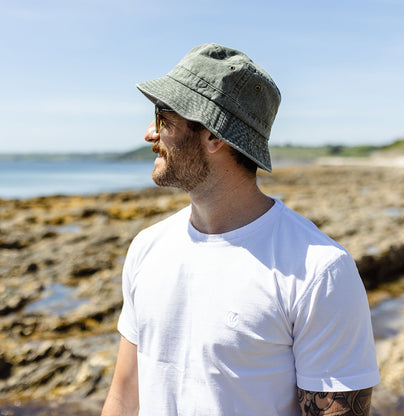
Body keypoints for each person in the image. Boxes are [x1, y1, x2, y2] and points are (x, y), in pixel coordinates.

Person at [101, 43, 380, 416]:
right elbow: (124, 397)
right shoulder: (147, 248)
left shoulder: (319, 271)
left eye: (163, 117)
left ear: (214, 136)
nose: (150, 133)